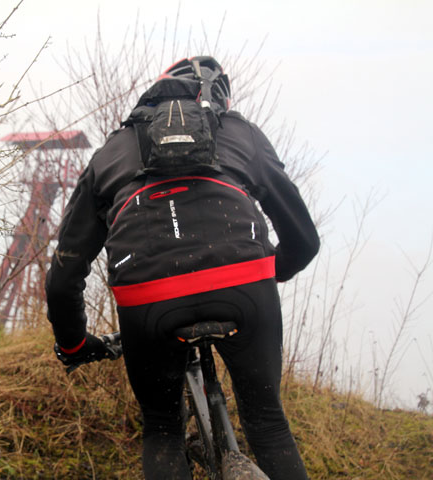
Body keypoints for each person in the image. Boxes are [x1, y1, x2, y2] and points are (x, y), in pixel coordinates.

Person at [45, 56, 319, 480]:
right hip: (245, 288)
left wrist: (76, 346)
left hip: (148, 301)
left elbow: (63, 278)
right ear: (214, 96)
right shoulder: (240, 133)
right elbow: (304, 241)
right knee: (267, 423)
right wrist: (267, 274)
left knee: (162, 429)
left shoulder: (111, 152)